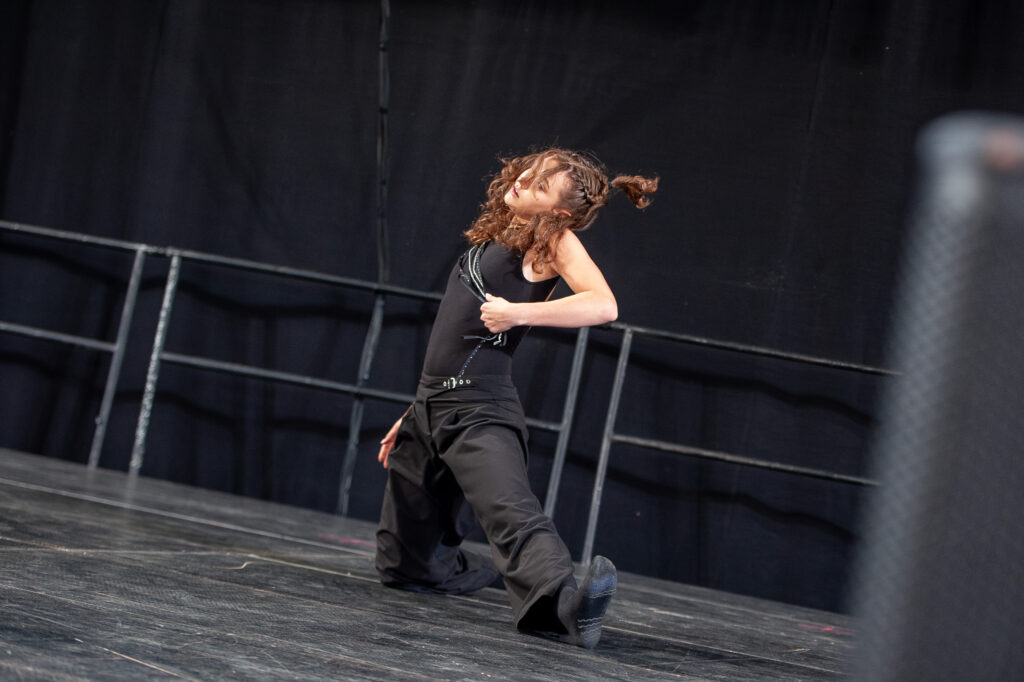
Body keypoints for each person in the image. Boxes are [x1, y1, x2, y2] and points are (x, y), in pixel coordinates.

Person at [374, 148, 657, 649]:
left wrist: (518, 314)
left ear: (559, 211)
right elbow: (452, 339)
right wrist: (415, 409)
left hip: (478, 408)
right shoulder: (501, 233)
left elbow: (603, 304)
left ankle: (566, 606)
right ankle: (474, 571)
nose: (523, 181)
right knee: (403, 565)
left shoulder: (554, 241)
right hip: (431, 406)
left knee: (511, 512)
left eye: (540, 185)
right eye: (528, 173)